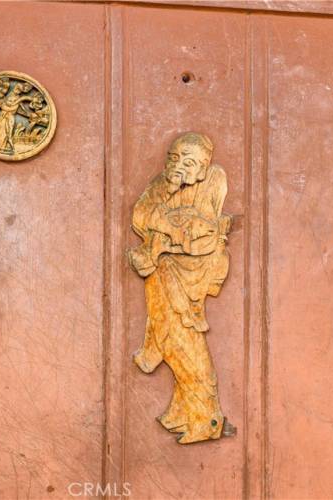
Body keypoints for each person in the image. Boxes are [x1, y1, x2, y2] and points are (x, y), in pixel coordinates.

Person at [127, 131, 235, 443]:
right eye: (174, 158)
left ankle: (207, 418)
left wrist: (167, 229)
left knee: (183, 343)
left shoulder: (212, 183)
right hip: (162, 273)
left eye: (190, 162)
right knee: (168, 336)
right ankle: (183, 412)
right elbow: (140, 217)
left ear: (203, 169)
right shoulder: (162, 185)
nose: (179, 166)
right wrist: (167, 186)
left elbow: (202, 229)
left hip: (189, 278)